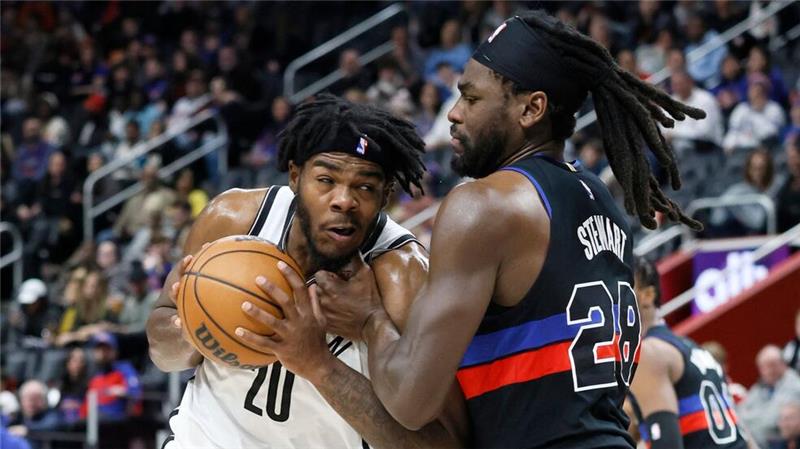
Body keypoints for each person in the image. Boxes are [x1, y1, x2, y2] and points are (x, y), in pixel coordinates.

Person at [264, 11, 706, 449]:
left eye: (472, 99)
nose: (454, 114)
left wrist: (370, 321)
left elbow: (410, 402)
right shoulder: (604, 202)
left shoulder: (484, 205)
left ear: (531, 109)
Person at [146, 95, 467, 449]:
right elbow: (162, 352)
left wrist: (318, 364)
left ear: (386, 195)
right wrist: (197, 327)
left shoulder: (402, 277)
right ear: (295, 176)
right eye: (326, 180)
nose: (344, 200)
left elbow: (445, 443)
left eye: (364, 186)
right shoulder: (235, 219)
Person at [627, 257, 751, 449]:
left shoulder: (648, 353)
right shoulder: (692, 347)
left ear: (647, 295)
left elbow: (666, 445)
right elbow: (742, 433)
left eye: (622, 286)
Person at [739, 345, 800, 448]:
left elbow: (771, 421)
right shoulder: (760, 386)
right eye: (763, 367)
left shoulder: (795, 385)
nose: (768, 371)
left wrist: (751, 419)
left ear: (783, 364)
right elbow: (740, 415)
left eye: (772, 365)